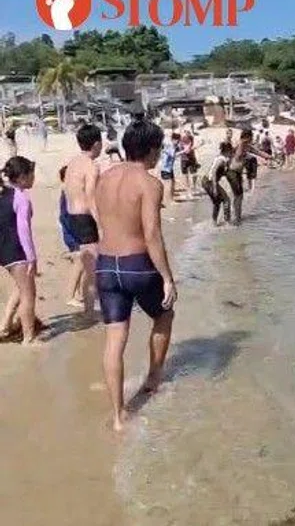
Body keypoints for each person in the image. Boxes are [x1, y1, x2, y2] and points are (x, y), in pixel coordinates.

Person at [95, 118, 177, 432]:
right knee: (164, 315)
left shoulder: (104, 177)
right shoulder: (149, 183)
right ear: (152, 150)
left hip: (106, 264)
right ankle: (154, 378)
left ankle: (118, 416)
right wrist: (167, 277)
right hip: (137, 264)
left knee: (115, 339)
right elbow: (152, 234)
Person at [63, 124, 103, 313]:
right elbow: (91, 197)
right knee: (93, 267)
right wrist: (101, 224)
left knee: (83, 260)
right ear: (96, 144)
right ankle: (91, 310)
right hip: (84, 218)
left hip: (70, 216)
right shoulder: (91, 166)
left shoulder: (73, 162)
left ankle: (78, 299)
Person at [0, 157, 41, 345]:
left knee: (21, 287)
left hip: (4, 250)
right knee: (28, 294)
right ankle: (28, 337)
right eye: (32, 174)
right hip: (17, 251)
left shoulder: (4, 194)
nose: (34, 178)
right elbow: (23, 230)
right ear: (23, 177)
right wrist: (31, 258)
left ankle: (5, 325)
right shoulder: (21, 197)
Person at [59, 166, 85, 306]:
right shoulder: (68, 193)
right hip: (74, 234)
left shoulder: (67, 192)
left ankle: (79, 293)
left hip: (72, 232)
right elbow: (67, 217)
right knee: (79, 263)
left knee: (81, 264)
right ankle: (71, 296)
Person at [200, 142, 234, 225]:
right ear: (227, 151)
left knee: (217, 202)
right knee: (226, 200)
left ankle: (214, 222)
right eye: (231, 152)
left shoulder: (220, 158)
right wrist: (215, 188)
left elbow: (222, 172)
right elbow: (214, 171)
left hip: (206, 181)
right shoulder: (221, 160)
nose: (231, 154)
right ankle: (227, 222)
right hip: (209, 182)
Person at [179, 130, 200, 195]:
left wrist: (196, 146)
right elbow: (186, 151)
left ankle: (194, 187)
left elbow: (193, 147)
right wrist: (188, 149)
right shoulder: (181, 140)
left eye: (188, 135)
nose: (186, 137)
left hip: (192, 158)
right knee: (185, 175)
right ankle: (188, 190)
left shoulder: (191, 138)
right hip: (184, 159)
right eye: (185, 135)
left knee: (194, 173)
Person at [159, 134, 178, 204]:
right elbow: (173, 155)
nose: (177, 142)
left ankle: (171, 199)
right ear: (173, 140)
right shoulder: (170, 146)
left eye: (178, 140)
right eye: (176, 140)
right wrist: (184, 151)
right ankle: (169, 200)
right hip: (165, 168)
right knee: (168, 184)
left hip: (169, 168)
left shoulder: (172, 146)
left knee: (172, 183)